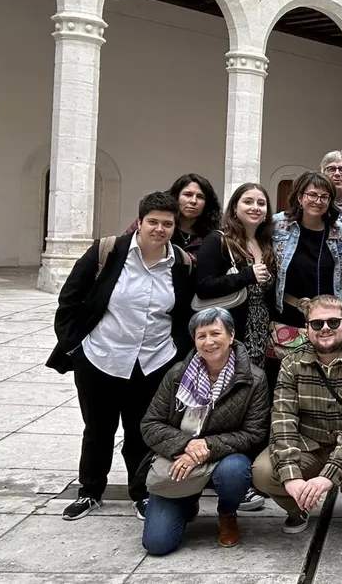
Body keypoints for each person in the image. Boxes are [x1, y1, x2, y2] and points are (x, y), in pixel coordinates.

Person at [49, 191, 195, 521]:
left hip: (153, 362)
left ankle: (141, 493)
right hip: (101, 357)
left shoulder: (182, 263)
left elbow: (185, 315)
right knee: (97, 430)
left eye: (167, 224)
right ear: (139, 222)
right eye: (153, 222)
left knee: (141, 432)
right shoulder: (107, 251)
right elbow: (69, 300)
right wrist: (75, 350)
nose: (160, 229)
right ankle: (90, 491)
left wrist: (176, 355)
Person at [139, 308, 269, 554]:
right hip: (178, 457)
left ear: (231, 336)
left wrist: (206, 446)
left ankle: (227, 513)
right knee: (157, 544)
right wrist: (186, 445)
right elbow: (150, 424)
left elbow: (254, 433)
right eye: (201, 336)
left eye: (215, 333)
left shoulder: (254, 379)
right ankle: (187, 502)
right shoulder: (177, 374)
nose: (209, 342)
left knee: (235, 471)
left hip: (223, 457)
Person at [252, 295, 342, 537]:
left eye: (333, 322)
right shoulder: (291, 362)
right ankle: (298, 508)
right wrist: (290, 476)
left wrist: (328, 476)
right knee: (263, 472)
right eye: (317, 323)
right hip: (308, 442)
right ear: (307, 328)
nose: (325, 328)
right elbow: (283, 419)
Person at [196, 182, 278, 512]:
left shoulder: (266, 243)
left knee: (256, 408)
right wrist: (245, 276)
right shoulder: (218, 240)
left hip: (263, 337)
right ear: (235, 207)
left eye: (261, 202)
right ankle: (224, 480)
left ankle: (251, 476)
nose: (255, 207)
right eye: (248, 201)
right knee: (229, 408)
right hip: (233, 337)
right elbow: (204, 286)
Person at [270, 172, 342, 383]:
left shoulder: (337, 230)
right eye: (312, 195)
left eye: (324, 197)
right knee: (286, 377)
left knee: (324, 378)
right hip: (289, 313)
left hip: (327, 318)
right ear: (300, 197)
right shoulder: (279, 224)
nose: (318, 201)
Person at [127, 173, 221, 260]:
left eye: (200, 197)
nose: (193, 201)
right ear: (176, 197)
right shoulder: (151, 222)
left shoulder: (213, 235)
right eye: (188, 195)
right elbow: (124, 248)